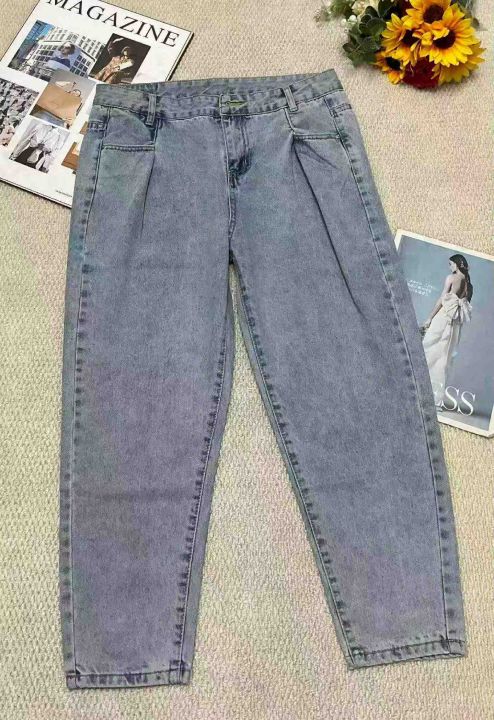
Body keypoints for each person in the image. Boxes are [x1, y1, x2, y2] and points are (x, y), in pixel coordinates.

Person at [420, 254, 473, 408]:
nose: (450, 267)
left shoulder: (451, 278)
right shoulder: (470, 286)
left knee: (428, 348)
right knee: (444, 358)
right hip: (455, 323)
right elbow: (464, 307)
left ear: (457, 264)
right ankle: (435, 399)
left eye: (451, 264)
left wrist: (429, 318)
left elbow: (441, 300)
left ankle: (419, 389)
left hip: (443, 318)